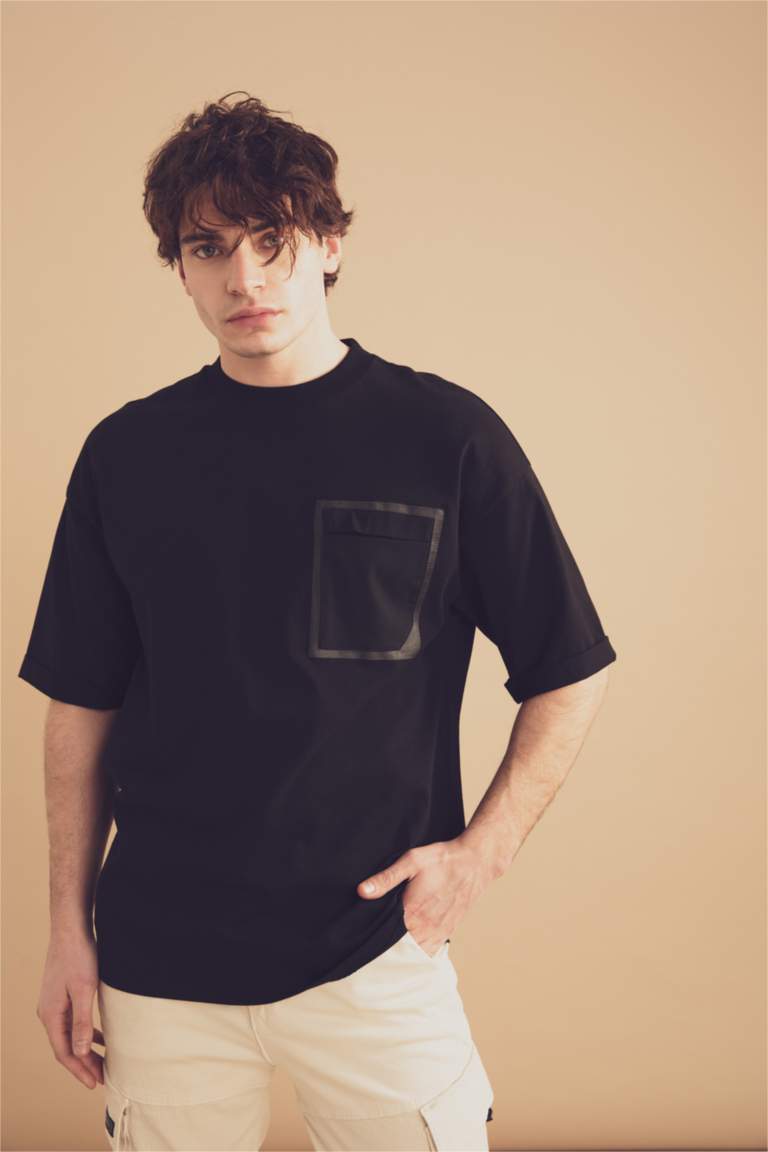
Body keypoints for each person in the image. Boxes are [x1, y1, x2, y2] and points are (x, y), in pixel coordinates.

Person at [19, 91, 617, 1151]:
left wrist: (480, 854)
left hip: (372, 952)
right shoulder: (127, 456)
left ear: (330, 244)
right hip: (161, 962)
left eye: (273, 239)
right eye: (208, 247)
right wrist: (67, 929)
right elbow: (80, 704)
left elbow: (569, 666)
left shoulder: (446, 437)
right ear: (179, 267)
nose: (244, 279)